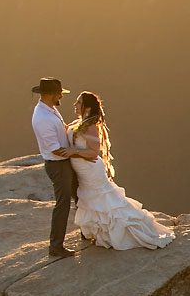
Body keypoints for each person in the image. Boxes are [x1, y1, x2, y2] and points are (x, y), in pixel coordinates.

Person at [66, 90, 176, 250]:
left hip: (90, 171)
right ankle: (100, 232)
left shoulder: (90, 126)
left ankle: (120, 232)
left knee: (103, 201)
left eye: (78, 103)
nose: (75, 105)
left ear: (87, 108)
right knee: (93, 200)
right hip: (84, 171)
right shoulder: (80, 124)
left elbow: (93, 153)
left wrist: (72, 152)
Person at [29, 77, 83, 258]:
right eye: (59, 93)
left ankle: (87, 230)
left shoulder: (50, 110)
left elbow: (61, 131)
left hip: (64, 163)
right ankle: (56, 246)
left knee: (79, 195)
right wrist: (80, 153)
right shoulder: (42, 118)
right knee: (63, 204)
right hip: (58, 166)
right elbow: (56, 150)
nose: (62, 95)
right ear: (51, 95)